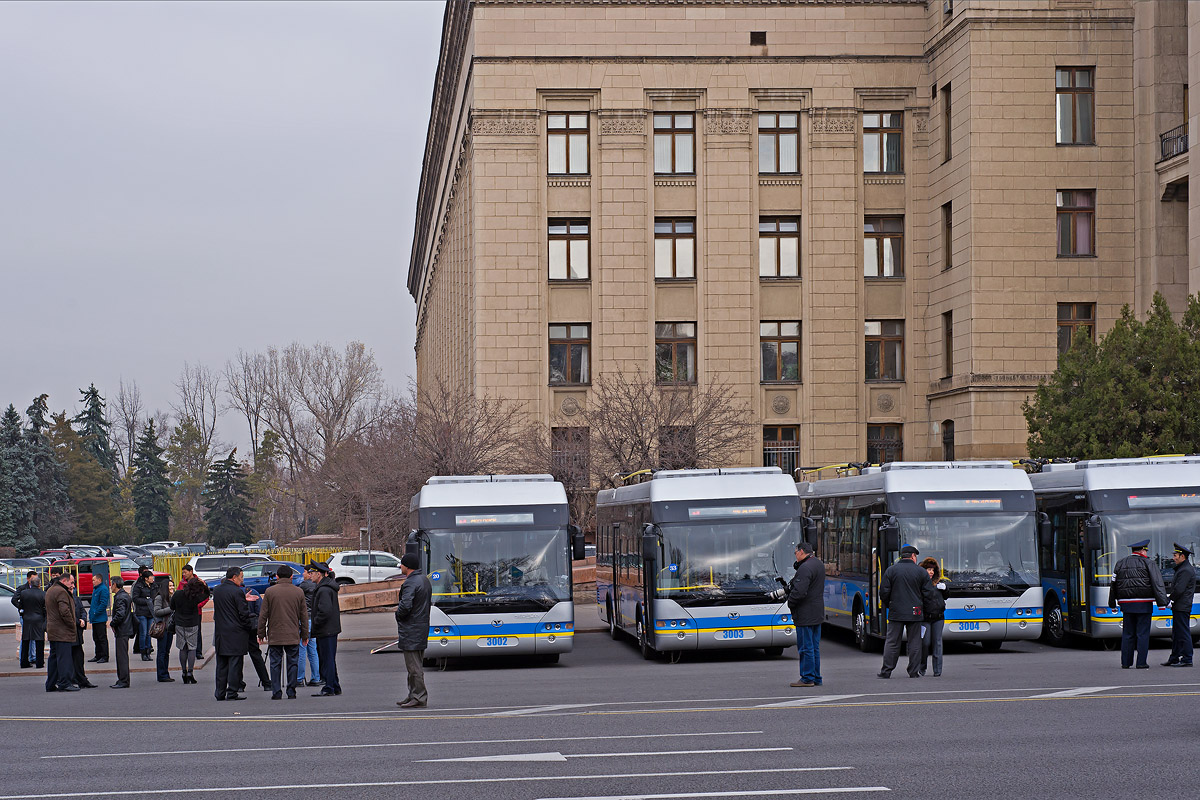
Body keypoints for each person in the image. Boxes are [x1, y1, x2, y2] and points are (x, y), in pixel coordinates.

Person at [1108, 538, 1169, 669]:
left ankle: (1126, 662)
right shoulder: (1149, 563)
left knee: (1128, 634)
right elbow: (1157, 583)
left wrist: (1112, 603)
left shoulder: (1120, 563)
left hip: (1126, 604)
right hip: (1144, 604)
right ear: (1142, 550)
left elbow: (1113, 584)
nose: (1147, 553)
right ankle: (1141, 662)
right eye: (1146, 550)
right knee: (1142, 634)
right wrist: (1162, 603)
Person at [878, 545, 936, 679]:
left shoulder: (891, 570)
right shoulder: (921, 572)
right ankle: (913, 671)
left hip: (896, 611)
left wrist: (890, 605)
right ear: (913, 557)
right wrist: (924, 609)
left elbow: (884, 592)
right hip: (915, 611)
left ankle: (886, 671)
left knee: (892, 641)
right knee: (915, 642)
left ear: (902, 556)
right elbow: (928, 594)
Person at [258, 565, 308, 700]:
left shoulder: (270, 591)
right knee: (293, 662)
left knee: (275, 663)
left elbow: (263, 615)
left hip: (275, 634)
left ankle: (276, 691)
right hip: (292, 633)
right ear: (291, 576)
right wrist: (305, 634)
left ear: (277, 577)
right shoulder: (298, 592)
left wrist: (261, 634)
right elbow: (303, 615)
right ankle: (291, 691)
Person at [780, 541, 824, 688]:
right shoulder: (818, 564)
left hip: (805, 613)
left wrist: (790, 603)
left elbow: (799, 592)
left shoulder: (805, 568)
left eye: (795, 552)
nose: (795, 555)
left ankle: (807, 677)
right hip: (817, 612)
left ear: (801, 551)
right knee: (814, 647)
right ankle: (816, 677)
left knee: (805, 647)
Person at [394, 553, 433, 708]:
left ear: (407, 566)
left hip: (411, 629)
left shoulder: (411, 582)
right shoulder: (423, 579)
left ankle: (418, 696)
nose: (400, 567)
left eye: (402, 565)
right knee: (414, 665)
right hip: (420, 627)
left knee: (414, 667)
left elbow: (405, 606)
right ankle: (412, 694)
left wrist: (397, 614)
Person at [212, 566, 254, 701]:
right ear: (234, 577)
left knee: (221, 665)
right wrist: (248, 627)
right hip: (236, 634)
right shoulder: (237, 591)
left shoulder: (217, 590)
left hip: (221, 633)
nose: (242, 580)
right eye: (241, 577)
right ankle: (232, 692)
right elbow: (243, 613)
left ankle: (219, 692)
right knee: (235, 665)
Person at [170, 572, 210, 684]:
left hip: (179, 623)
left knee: (182, 648)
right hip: (192, 623)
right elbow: (207, 594)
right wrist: (204, 585)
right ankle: (190, 672)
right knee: (192, 647)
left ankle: (183, 671)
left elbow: (172, 606)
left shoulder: (178, 594)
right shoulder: (195, 597)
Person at [309, 561, 342, 697]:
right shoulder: (327, 587)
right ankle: (334, 685)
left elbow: (325, 611)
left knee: (327, 658)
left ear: (319, 574)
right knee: (329, 658)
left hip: (326, 629)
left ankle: (329, 687)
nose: (310, 576)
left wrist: (316, 622)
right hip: (330, 629)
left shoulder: (323, 590)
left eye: (312, 573)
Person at [45, 570, 80, 692]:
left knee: (54, 658)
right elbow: (65, 611)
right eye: (71, 582)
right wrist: (72, 625)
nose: (73, 585)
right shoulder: (61, 592)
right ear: (64, 581)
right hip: (62, 631)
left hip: (54, 631)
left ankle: (50, 684)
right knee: (64, 658)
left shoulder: (51, 590)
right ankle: (65, 683)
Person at [1163, 543, 1196, 667]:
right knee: (1177, 633)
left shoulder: (1185, 570)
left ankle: (1187, 658)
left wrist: (1171, 600)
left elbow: (1179, 589)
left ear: (1183, 556)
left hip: (1182, 606)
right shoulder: (1183, 568)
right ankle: (1175, 657)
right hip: (1180, 606)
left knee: (1183, 632)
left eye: (1176, 555)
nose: (1174, 558)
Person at [919, 557, 948, 677]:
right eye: (928, 569)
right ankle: (922, 667)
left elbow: (946, 596)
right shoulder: (919, 584)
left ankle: (937, 670)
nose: (930, 572)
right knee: (925, 643)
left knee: (937, 643)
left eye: (932, 570)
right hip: (924, 618)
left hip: (938, 617)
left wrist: (945, 589)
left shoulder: (939, 584)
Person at [239, 585, 272, 692]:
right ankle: (266, 682)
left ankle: (239, 684)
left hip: (238, 628)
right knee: (256, 655)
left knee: (238, 657)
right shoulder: (254, 592)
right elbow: (261, 611)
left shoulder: (235, 593)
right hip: (251, 627)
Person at [12, 571, 46, 669]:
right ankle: (39, 663)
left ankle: (24, 662)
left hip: (27, 618)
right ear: (39, 584)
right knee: (39, 641)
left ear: (31, 584)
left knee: (25, 640)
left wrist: (22, 611)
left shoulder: (24, 593)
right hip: (39, 619)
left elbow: (21, 604)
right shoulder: (43, 594)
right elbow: (44, 607)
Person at [297, 565, 321, 687]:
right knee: (312, 650)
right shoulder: (318, 585)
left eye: (305, 572)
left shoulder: (304, 585)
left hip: (305, 619)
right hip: (314, 619)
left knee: (301, 649)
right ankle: (316, 677)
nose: (304, 574)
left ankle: (299, 678)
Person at [109, 577, 134, 689]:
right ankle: (123, 679)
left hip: (122, 629)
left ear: (115, 584)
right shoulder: (124, 596)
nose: (110, 586)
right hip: (126, 628)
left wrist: (112, 623)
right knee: (122, 655)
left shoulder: (120, 598)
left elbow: (120, 614)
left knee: (121, 656)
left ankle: (123, 680)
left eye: (111, 584)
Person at [71, 588, 97, 689]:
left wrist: (83, 619)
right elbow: (67, 615)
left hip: (78, 633)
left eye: (73, 586)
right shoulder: (64, 599)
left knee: (79, 658)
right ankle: (72, 679)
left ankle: (82, 680)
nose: (72, 588)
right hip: (69, 633)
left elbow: (82, 610)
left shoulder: (76, 599)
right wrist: (78, 621)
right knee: (70, 659)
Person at [151, 577, 175, 682]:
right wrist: (171, 609)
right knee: (162, 651)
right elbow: (156, 611)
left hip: (170, 627)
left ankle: (166, 673)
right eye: (170, 586)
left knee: (167, 651)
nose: (172, 587)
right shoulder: (159, 597)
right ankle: (161, 674)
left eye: (172, 585)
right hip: (163, 627)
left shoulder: (172, 597)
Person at [131, 568, 155, 661]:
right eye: (151, 577)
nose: (152, 578)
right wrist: (147, 600)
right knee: (143, 633)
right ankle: (143, 652)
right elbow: (135, 599)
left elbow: (156, 596)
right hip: (141, 612)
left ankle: (148, 651)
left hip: (150, 612)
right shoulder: (139, 586)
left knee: (149, 633)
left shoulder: (153, 586)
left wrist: (151, 600)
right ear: (146, 578)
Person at [88, 573, 110, 663]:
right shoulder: (96, 589)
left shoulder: (103, 589)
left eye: (94, 580)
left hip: (100, 618)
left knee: (102, 638)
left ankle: (104, 656)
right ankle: (98, 655)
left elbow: (103, 604)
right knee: (96, 637)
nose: (92, 582)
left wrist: (95, 612)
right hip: (95, 618)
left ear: (99, 580)